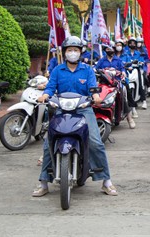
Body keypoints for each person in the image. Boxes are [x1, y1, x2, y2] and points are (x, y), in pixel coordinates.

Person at [33, 36, 117, 197]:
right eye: (69, 50)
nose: (73, 53)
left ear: (80, 52)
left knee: (95, 142)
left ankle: (106, 182)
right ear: (64, 52)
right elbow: (51, 88)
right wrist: (45, 95)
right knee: (48, 144)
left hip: (83, 110)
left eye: (76, 50)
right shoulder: (58, 70)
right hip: (62, 110)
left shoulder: (87, 70)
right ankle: (43, 182)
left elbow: (93, 88)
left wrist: (96, 97)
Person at [95, 43, 136, 129]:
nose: (109, 51)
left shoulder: (118, 60)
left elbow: (123, 69)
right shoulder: (102, 60)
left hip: (116, 82)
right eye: (107, 49)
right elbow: (96, 69)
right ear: (105, 50)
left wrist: (123, 72)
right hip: (104, 83)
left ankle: (130, 118)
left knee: (121, 96)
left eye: (111, 49)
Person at [123, 37, 147, 110]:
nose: (132, 44)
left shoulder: (139, 53)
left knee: (140, 83)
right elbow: (123, 61)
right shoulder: (126, 53)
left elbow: (142, 61)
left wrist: (140, 63)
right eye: (130, 43)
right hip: (128, 70)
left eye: (134, 43)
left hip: (137, 70)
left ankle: (144, 101)